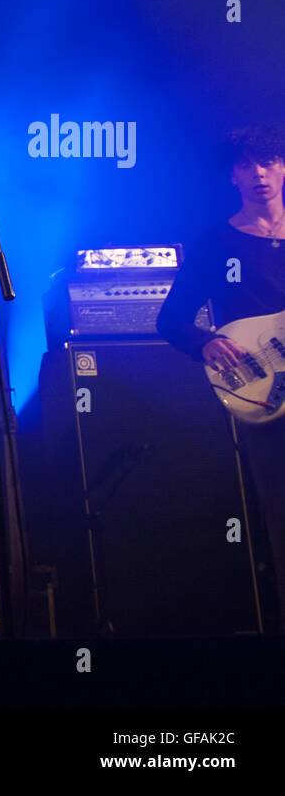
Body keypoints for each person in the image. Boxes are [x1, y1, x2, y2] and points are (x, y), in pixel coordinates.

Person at [156, 124, 285, 630]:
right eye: (247, 166)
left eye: (269, 161)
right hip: (264, 398)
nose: (259, 174)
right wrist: (206, 341)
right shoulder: (215, 242)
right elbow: (170, 320)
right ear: (232, 176)